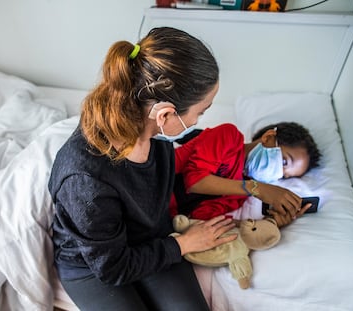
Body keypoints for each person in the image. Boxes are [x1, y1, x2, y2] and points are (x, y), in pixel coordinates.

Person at [48, 27, 239, 311]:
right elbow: (113, 268)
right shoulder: (85, 182)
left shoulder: (155, 140)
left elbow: (157, 196)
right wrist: (184, 245)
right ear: (164, 114)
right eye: (200, 112)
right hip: (95, 265)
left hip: (148, 240)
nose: (199, 121)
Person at [171, 121, 321, 227]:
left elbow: (200, 219)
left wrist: (268, 223)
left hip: (161, 219)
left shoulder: (239, 197)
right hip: (155, 182)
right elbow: (195, 182)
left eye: (284, 176)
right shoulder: (229, 136)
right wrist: (257, 188)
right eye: (284, 162)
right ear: (269, 137)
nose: (277, 174)